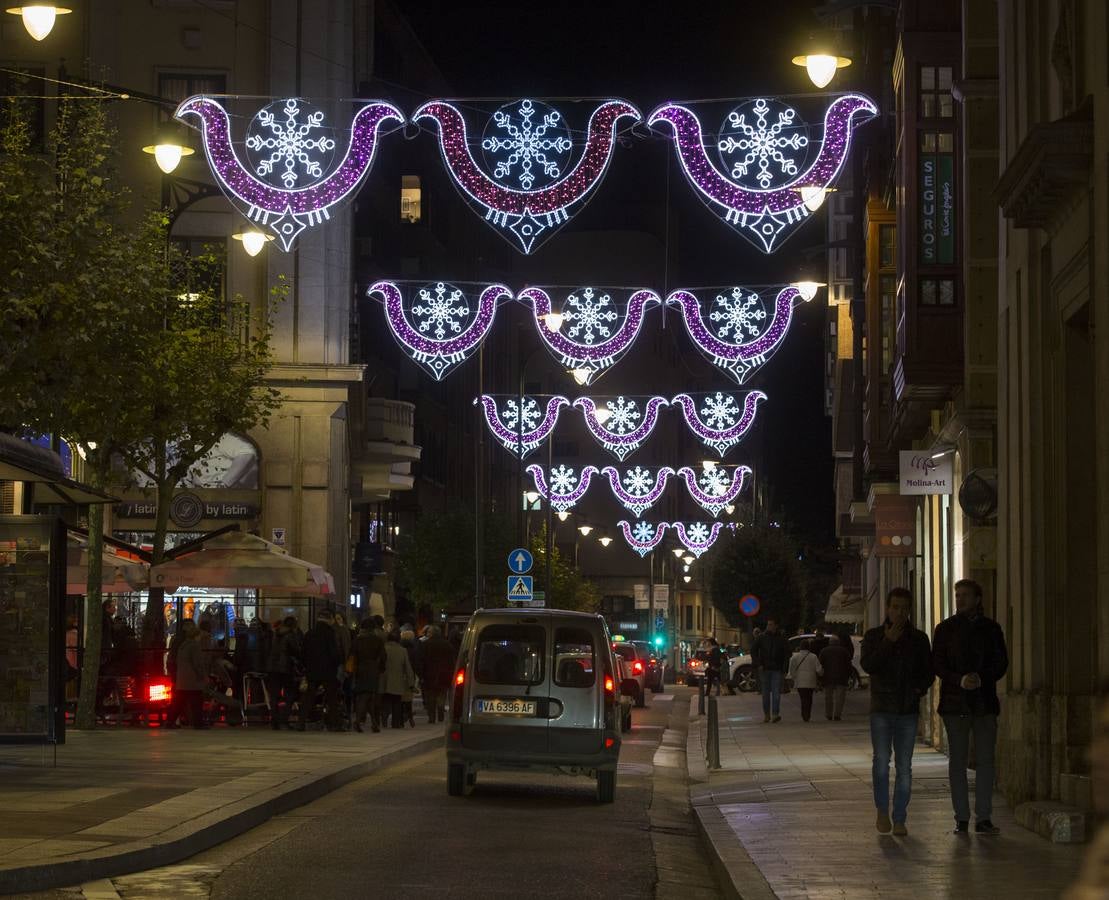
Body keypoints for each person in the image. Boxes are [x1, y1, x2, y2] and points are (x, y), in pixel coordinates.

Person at [932, 578, 1009, 835]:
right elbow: (938, 664)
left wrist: (981, 678)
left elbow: (1001, 662)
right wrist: (960, 679)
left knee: (986, 761)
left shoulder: (991, 629)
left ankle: (984, 817)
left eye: (965, 595)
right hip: (955, 704)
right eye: (957, 595)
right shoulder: (945, 629)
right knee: (958, 762)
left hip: (984, 703)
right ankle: (961, 818)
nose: (960, 599)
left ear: (978, 599)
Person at [861, 587, 934, 836]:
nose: (899, 613)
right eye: (895, 607)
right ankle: (882, 810)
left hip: (907, 710)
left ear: (909, 610)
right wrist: (887, 642)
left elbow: (928, 671)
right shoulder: (873, 637)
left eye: (904, 608)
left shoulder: (919, 639)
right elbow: (869, 665)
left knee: (904, 766)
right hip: (881, 708)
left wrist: (918, 689)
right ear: (887, 609)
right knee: (881, 761)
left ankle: (900, 817)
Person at [299, 611, 342, 731]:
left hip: (312, 670)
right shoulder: (330, 633)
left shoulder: (309, 633)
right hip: (328, 671)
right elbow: (334, 653)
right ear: (329, 620)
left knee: (308, 697)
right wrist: (337, 663)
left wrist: (307, 666)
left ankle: (301, 722)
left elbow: (303, 653)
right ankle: (335, 724)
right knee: (332, 698)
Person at [166, 621, 207, 729]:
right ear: (196, 636)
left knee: (178, 702)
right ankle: (198, 724)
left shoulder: (182, 645)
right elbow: (197, 663)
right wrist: (202, 676)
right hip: (192, 680)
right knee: (197, 703)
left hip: (182, 679)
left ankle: (170, 722)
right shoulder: (194, 646)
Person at [752, 617, 790, 723]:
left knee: (776, 693)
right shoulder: (762, 637)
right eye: (768, 624)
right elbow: (753, 650)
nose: (769, 626)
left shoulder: (781, 638)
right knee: (765, 693)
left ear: (776, 626)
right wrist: (758, 664)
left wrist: (784, 668)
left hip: (777, 669)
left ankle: (775, 714)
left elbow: (787, 653)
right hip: (765, 668)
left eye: (771, 624)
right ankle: (767, 714)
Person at [351, 618, 386, 732]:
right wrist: (381, 668)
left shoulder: (357, 640)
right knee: (367, 696)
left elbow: (352, 655)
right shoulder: (377, 640)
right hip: (372, 669)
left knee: (365, 696)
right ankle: (358, 721)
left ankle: (374, 724)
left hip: (360, 669)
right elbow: (383, 656)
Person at [267, 617, 301, 729]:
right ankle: (284, 719)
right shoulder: (291, 635)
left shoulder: (275, 633)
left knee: (274, 695)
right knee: (290, 695)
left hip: (272, 668)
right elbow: (296, 651)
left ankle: (274, 721)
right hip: (286, 668)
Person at [421, 625, 455, 724]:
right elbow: (452, 661)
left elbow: (422, 660)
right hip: (444, 673)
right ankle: (441, 711)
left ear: (431, 633)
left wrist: (421, 674)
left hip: (429, 673)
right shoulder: (447, 645)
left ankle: (431, 717)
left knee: (430, 695)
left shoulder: (426, 644)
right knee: (442, 694)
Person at [382, 631, 414, 729]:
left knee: (385, 702)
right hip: (398, 680)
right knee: (397, 703)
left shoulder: (384, 649)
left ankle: (383, 721)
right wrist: (411, 682)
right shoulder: (402, 650)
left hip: (385, 680)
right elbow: (408, 668)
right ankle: (395, 723)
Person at [818, 635, 852, 721]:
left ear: (830, 642)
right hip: (841, 677)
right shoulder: (844, 651)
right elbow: (849, 665)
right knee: (840, 697)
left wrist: (820, 678)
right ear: (838, 642)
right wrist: (849, 676)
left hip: (828, 677)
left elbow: (820, 665)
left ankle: (829, 714)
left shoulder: (824, 651)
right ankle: (837, 714)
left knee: (828, 697)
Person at [788, 638, 820, 722]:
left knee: (803, 698)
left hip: (800, 681)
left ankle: (804, 714)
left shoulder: (795, 657)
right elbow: (818, 669)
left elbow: (791, 669)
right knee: (809, 698)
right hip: (811, 681)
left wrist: (793, 677)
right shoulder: (814, 656)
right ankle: (807, 714)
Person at [399, 627, 422, 727]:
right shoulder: (414, 649)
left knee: (400, 697)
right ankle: (409, 716)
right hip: (410, 674)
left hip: (399, 674)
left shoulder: (400, 648)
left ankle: (403, 715)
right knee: (408, 697)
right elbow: (416, 663)